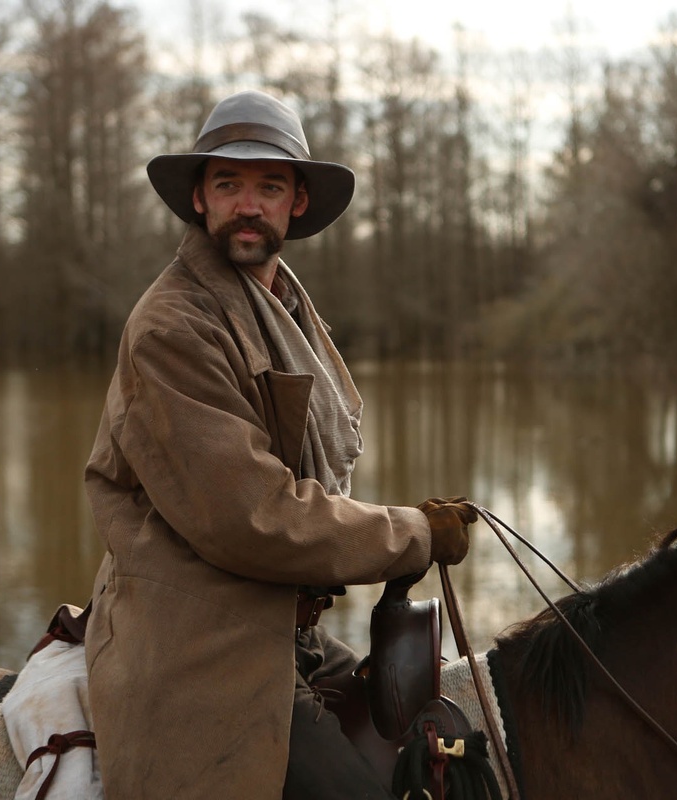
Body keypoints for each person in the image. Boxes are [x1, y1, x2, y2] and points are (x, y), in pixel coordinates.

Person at [81, 89, 477, 799]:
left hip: (284, 627)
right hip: (195, 637)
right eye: (228, 184)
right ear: (199, 200)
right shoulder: (171, 327)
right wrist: (412, 532)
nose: (248, 204)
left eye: (268, 186)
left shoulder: (283, 305)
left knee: (439, 747)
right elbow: (254, 516)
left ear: (296, 203)